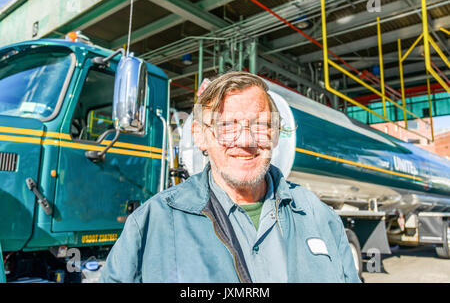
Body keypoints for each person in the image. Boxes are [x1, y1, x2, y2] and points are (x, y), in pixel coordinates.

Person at [99, 71, 361, 283]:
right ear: (201, 136)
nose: (245, 141)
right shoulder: (152, 224)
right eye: (227, 126)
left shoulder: (318, 216)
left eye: (259, 125)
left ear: (275, 134)